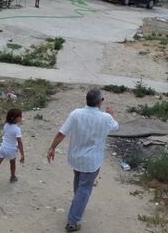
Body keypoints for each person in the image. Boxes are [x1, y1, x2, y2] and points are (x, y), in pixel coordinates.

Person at [46, 89, 119, 232]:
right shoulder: (105, 118)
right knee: (85, 189)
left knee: (79, 180)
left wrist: (52, 148)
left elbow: (62, 133)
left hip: (75, 157)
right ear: (100, 102)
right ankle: (72, 221)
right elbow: (116, 127)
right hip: (92, 161)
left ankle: (77, 203)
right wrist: (112, 115)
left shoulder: (76, 114)